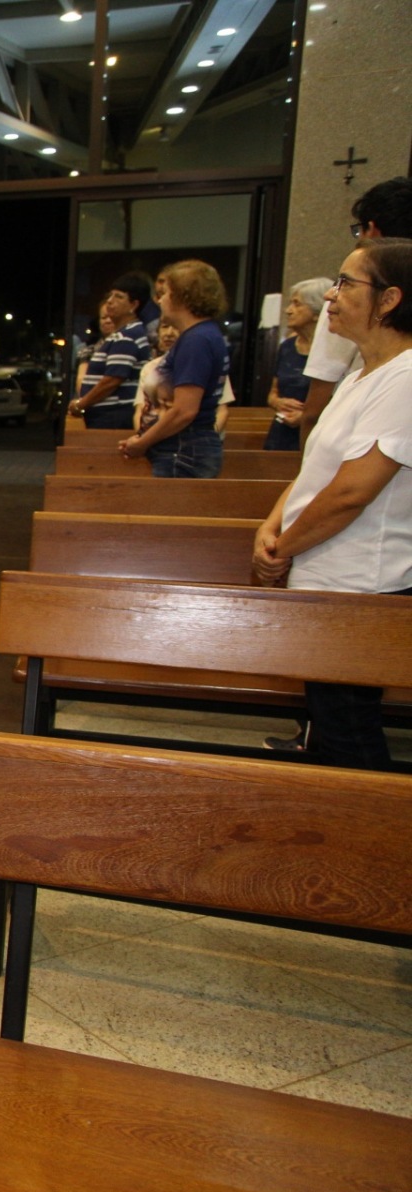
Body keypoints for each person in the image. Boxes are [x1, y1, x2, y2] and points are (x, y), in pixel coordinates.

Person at [252, 238, 412, 771]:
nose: (331, 295)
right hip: (325, 578)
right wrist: (271, 527)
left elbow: (351, 492)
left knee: (350, 737)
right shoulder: (361, 374)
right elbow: (314, 473)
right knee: (329, 729)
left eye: (345, 283)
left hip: (361, 584)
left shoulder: (406, 376)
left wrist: (282, 550)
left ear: (389, 299)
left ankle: (375, 825)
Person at [299, 177, 412, 440]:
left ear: (371, 230)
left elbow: (315, 406)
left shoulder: (355, 299)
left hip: (355, 435)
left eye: (346, 283)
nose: (331, 294)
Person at [117, 260, 227, 478]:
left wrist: (142, 443)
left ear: (183, 297)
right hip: (181, 447)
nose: (160, 300)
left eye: (165, 293)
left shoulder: (197, 339)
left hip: (183, 450)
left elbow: (184, 411)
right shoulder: (200, 335)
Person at [68, 273, 150, 429]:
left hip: (113, 416)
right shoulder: (122, 334)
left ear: (134, 305)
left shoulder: (127, 335)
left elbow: (112, 380)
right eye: (110, 295)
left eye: (119, 297)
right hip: (107, 415)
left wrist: (81, 404)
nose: (110, 301)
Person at [264, 277, 332, 452]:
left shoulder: (332, 352)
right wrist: (277, 402)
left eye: (297, 304)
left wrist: (305, 417)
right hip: (281, 433)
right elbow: (272, 393)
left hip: (316, 435)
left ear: (317, 312)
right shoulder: (287, 347)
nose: (288, 310)